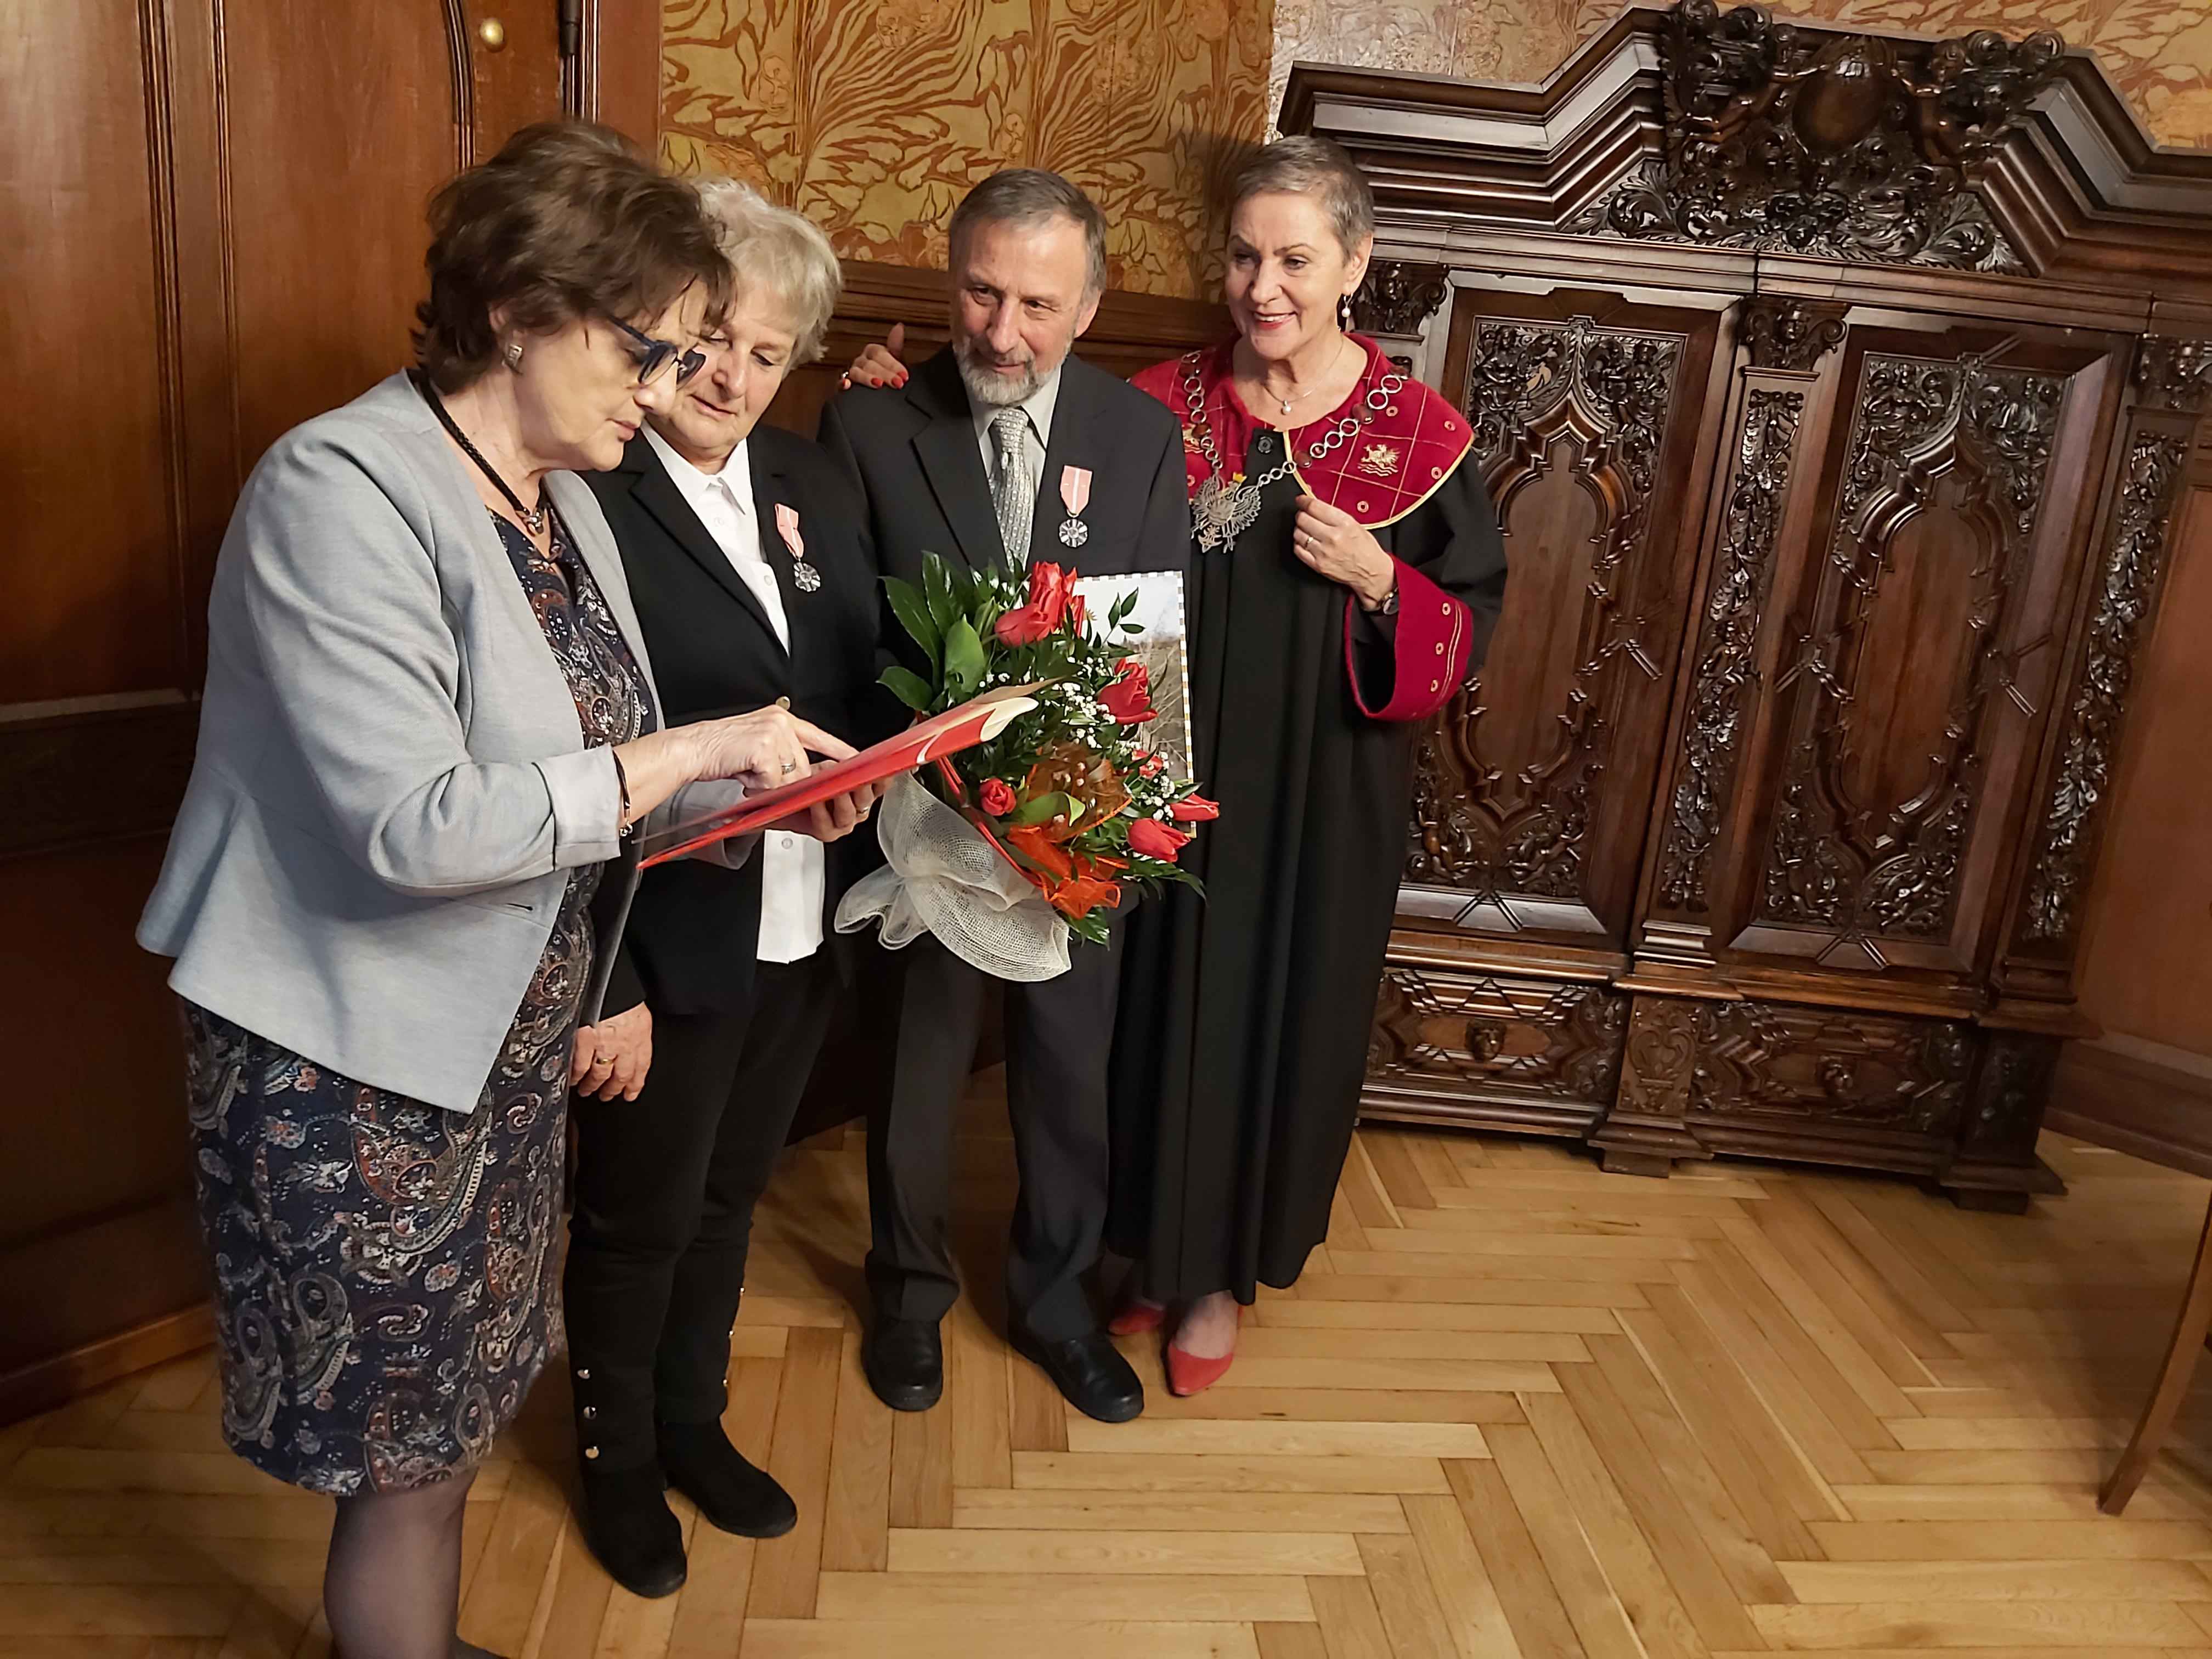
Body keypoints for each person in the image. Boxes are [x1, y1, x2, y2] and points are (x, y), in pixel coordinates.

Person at [136, 124, 866, 1659]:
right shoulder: (338, 487)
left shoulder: (564, 492)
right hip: (352, 1068)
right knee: (398, 1453)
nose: (666, 388)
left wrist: (754, 801)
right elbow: (413, 824)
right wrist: (685, 758)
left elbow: (581, 785)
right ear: (525, 311)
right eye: (645, 345)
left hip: (498, 1058)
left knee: (454, 1422)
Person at [843, 137, 1507, 1396]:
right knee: (1069, 1050)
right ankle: (1084, 1263)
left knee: (1164, 1039)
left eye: (1297, 259)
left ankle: (1170, 1280)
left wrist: (1379, 576)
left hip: (1280, 802)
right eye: (1247, 256)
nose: (1267, 285)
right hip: (1095, 794)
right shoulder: (1162, 404)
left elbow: (1466, 623)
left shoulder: (1407, 435)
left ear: (1353, 266)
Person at [561, 178, 894, 1598]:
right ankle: (612, 1461)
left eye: (770, 353)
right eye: (712, 343)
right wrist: (601, 978)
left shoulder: (813, 480)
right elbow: (562, 755)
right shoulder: (588, 491)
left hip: (793, 916)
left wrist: (869, 773)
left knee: (730, 1196)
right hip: (658, 926)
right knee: (640, 1214)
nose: (735, 379)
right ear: (664, 332)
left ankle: (690, 1422)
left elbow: (850, 676)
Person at [816, 170, 1190, 1425]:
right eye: (981, 291)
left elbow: (1155, 648)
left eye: (1038, 302)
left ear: (1087, 307)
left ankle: (1055, 1304)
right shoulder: (869, 423)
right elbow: (839, 640)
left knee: (1069, 1076)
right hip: (929, 828)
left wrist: (1110, 821)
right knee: (920, 1073)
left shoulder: (1140, 438)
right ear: (950, 275)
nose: (1001, 331)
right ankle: (909, 1296)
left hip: (1081, 824)